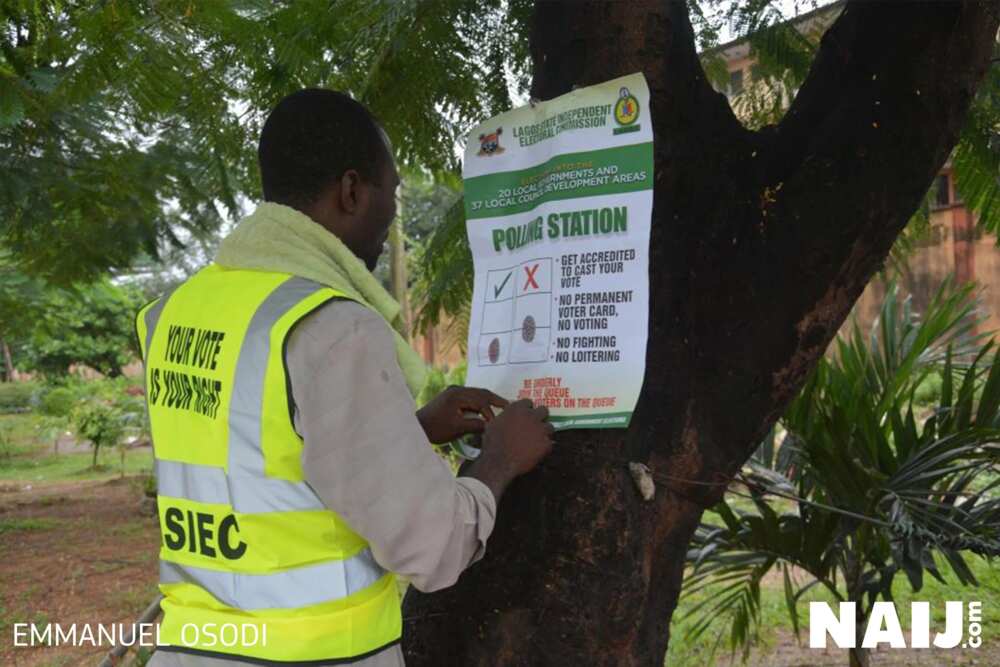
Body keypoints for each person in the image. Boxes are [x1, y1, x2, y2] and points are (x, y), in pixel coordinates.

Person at [140, 89, 554, 666]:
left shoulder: (171, 312)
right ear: (353, 190)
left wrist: (404, 431)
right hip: (316, 654)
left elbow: (257, 457)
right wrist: (500, 461)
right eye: (393, 193)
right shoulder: (331, 327)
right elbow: (433, 546)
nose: (392, 217)